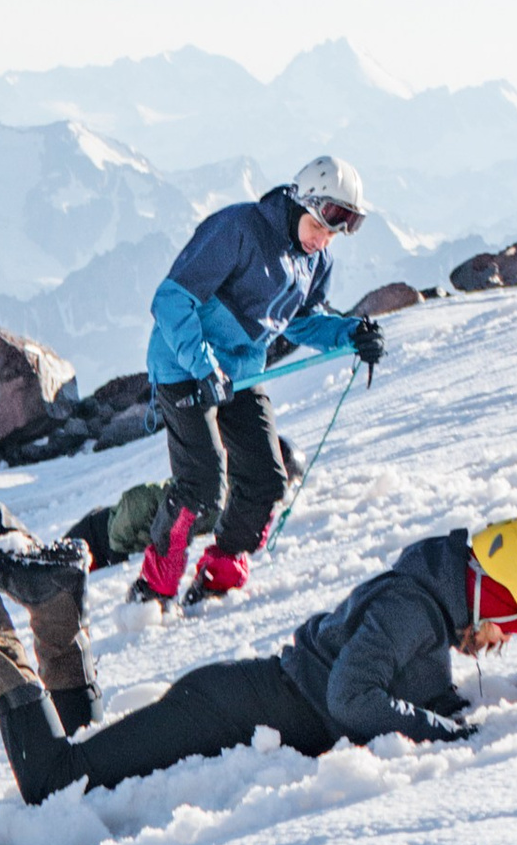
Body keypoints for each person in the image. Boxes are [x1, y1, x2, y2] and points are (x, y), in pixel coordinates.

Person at [0, 507, 517, 805]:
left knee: (87, 759)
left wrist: (443, 718)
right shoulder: (411, 608)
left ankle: (57, 607)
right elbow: (353, 701)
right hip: (228, 711)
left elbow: (408, 690)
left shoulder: (427, 603)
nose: (508, 640)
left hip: (238, 702)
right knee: (58, 784)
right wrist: (444, 733)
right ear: (499, 599)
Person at [134, 152, 384, 607]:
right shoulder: (239, 230)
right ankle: (153, 589)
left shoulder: (316, 260)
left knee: (266, 479)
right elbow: (171, 300)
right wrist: (204, 366)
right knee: (202, 487)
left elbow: (301, 321)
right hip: (181, 365)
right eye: (321, 225)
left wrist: (351, 334)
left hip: (241, 374)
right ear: (303, 201)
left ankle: (217, 580)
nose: (324, 239)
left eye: (336, 232)